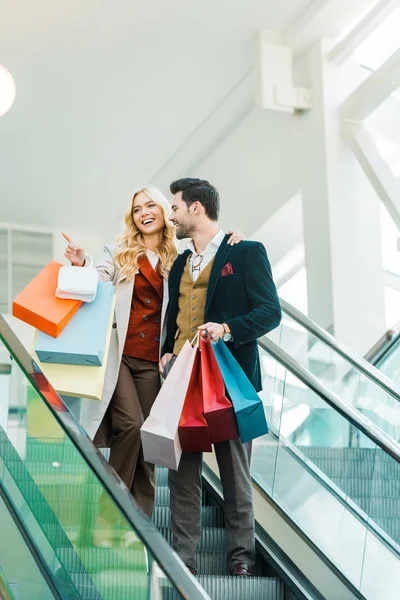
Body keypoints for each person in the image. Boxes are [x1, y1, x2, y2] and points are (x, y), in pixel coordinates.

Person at [63, 187, 244, 534]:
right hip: (121, 357)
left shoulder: (181, 256)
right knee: (130, 424)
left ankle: (140, 524)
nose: (143, 212)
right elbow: (99, 279)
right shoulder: (119, 251)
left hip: (154, 362)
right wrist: (81, 263)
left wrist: (235, 239)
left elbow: (211, 266)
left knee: (148, 438)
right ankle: (109, 509)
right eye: (136, 209)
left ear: (164, 212)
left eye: (150, 206)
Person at [160, 178, 281, 577]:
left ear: (196, 208)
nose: (171, 215)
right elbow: (173, 311)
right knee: (183, 473)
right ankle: (184, 560)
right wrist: (165, 349)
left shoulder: (245, 252)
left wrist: (226, 329)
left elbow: (269, 312)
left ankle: (241, 557)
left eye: (175, 208)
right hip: (181, 378)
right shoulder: (179, 261)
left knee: (235, 472)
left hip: (227, 378)